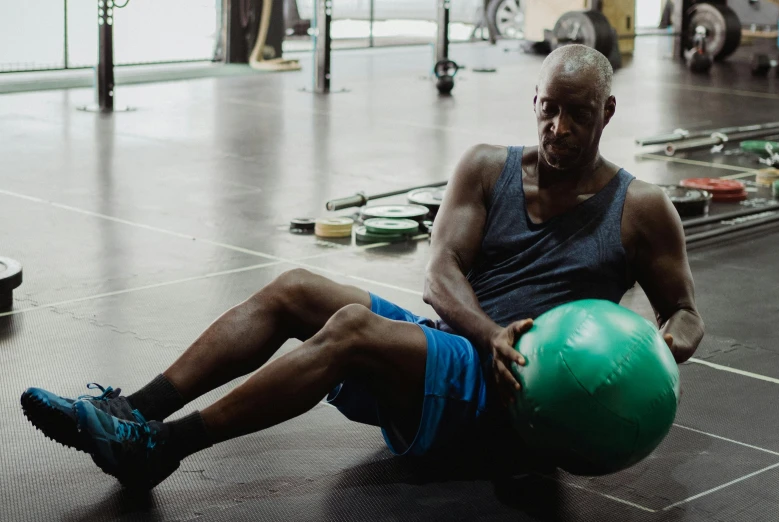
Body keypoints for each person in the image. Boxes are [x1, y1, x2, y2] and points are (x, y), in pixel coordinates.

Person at [21, 44, 704, 490]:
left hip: (516, 397)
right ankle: (130, 411)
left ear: (606, 112)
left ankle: (161, 448)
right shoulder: (486, 167)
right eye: (547, 110)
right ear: (533, 101)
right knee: (295, 288)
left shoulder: (640, 209)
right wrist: (486, 332)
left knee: (350, 327)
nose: (557, 128)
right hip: (464, 349)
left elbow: (684, 312)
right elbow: (439, 275)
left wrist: (660, 350)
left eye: (576, 115)